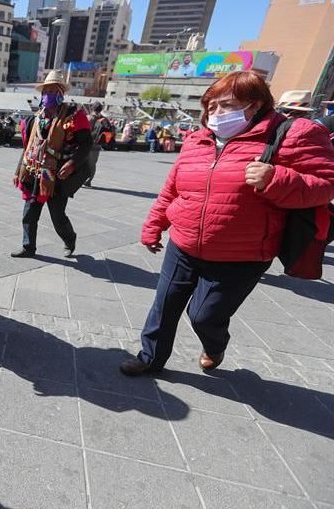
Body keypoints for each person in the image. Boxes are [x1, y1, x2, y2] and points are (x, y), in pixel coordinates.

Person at [119, 70, 334, 376]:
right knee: (164, 305)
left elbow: (326, 183)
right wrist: (154, 225)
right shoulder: (197, 139)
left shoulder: (291, 134)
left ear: (256, 104)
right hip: (184, 242)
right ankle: (149, 357)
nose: (216, 113)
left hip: (242, 254)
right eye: (211, 106)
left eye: (227, 105)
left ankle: (214, 345)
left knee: (204, 316)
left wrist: (276, 178)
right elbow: (173, 187)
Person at [10, 69, 92, 258]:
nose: (48, 95)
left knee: (57, 216)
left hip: (58, 176)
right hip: (34, 172)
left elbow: (87, 144)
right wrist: (17, 171)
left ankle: (69, 240)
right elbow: (28, 148)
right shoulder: (36, 119)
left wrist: (72, 163)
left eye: (53, 91)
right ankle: (28, 247)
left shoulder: (73, 116)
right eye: (46, 91)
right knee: (29, 213)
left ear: (61, 94)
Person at [86, 101, 112, 187]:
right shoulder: (103, 119)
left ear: (92, 108)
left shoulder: (88, 118)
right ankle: (89, 180)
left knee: (82, 162)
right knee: (92, 164)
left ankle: (81, 179)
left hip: (86, 145)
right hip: (97, 146)